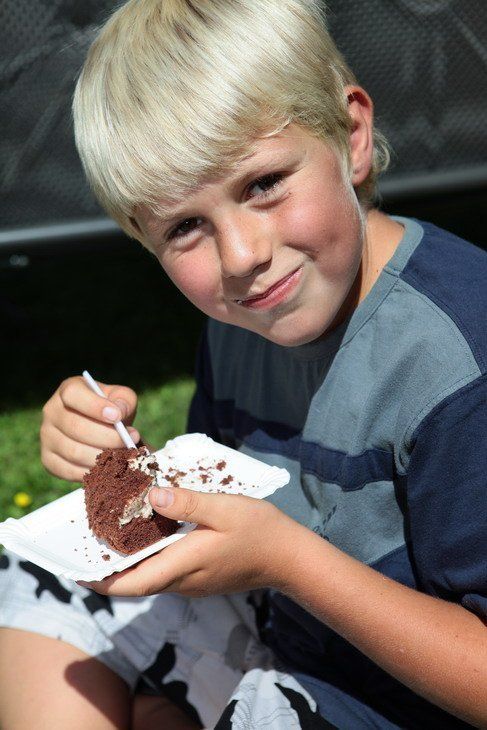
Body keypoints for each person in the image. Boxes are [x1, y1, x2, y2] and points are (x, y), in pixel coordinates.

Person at [1, 0, 486, 727]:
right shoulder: (247, 319)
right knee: (39, 582)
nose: (240, 256)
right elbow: (230, 491)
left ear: (352, 136)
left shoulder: (458, 363)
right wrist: (126, 467)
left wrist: (289, 562)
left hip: (405, 698)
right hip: (284, 629)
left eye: (263, 184)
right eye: (185, 226)